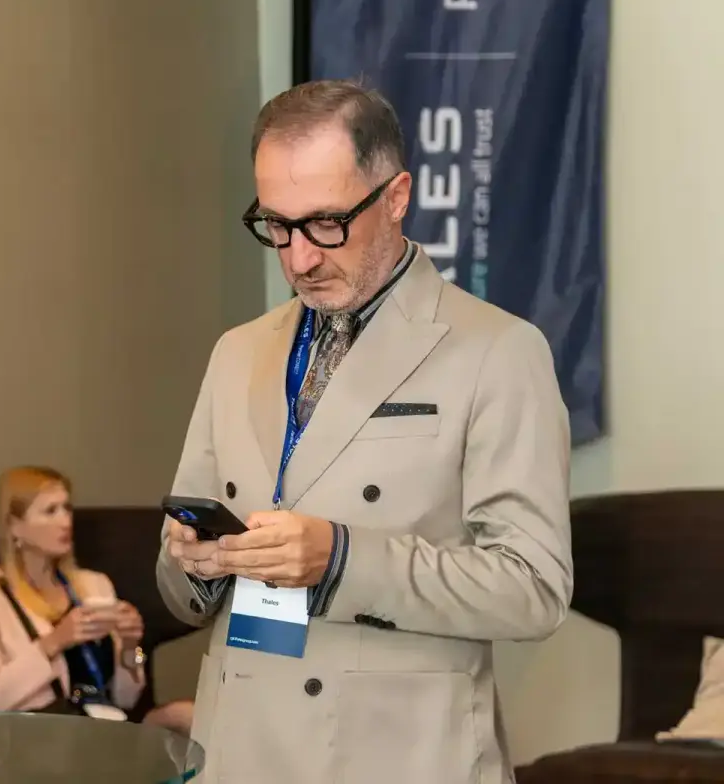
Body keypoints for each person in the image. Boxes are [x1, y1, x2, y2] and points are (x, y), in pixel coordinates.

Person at [157, 79, 573, 784]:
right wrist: (192, 567)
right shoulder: (238, 351)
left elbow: (533, 587)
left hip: (397, 754)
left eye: (326, 222)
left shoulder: (498, 349)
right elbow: (176, 581)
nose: (299, 258)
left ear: (397, 197)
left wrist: (342, 559)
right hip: (241, 749)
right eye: (277, 226)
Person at [0, 466, 194, 735]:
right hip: (40, 735)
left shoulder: (95, 584)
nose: (65, 521)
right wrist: (54, 642)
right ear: (14, 526)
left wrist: (132, 646)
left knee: (189, 715)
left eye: (67, 509)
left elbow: (127, 698)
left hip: (106, 723)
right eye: (50, 511)